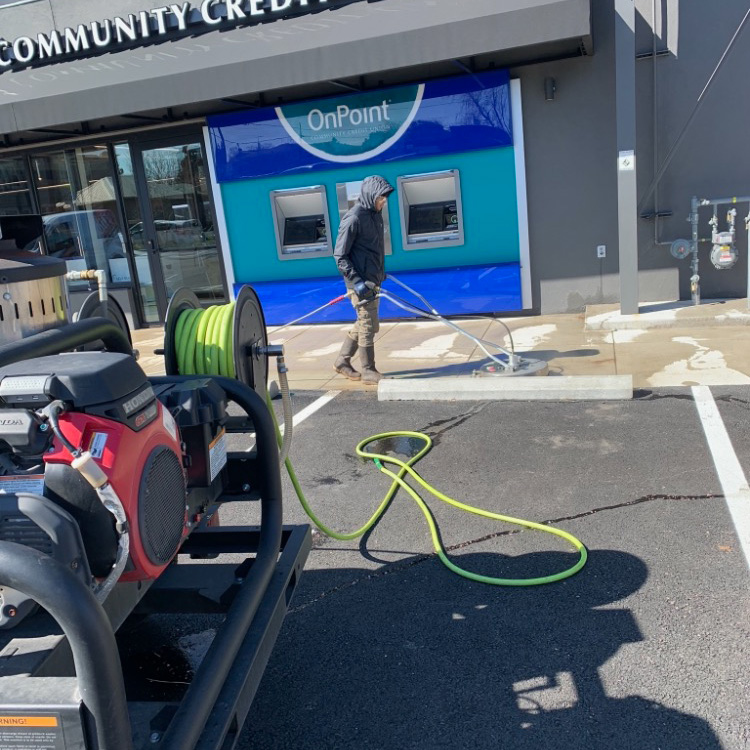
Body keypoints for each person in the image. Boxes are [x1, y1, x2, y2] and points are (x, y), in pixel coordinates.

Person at [333, 175, 394, 384]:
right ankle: (368, 370)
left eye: (385, 198)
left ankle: (342, 361)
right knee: (368, 325)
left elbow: (372, 250)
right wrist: (357, 281)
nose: (383, 201)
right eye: (381, 198)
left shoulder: (375, 214)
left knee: (366, 323)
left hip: (372, 281)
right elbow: (340, 256)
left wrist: (379, 273)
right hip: (359, 284)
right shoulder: (354, 218)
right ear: (370, 195)